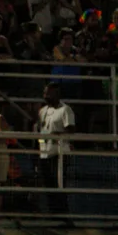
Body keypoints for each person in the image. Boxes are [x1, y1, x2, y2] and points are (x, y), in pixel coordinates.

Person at [36, 83, 75, 212]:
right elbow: (40, 132)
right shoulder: (42, 111)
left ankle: (63, 214)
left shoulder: (65, 110)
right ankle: (52, 213)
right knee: (48, 186)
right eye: (44, 93)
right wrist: (41, 144)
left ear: (57, 94)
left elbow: (70, 131)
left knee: (59, 185)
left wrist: (55, 136)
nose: (45, 96)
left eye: (49, 93)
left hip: (59, 153)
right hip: (44, 153)